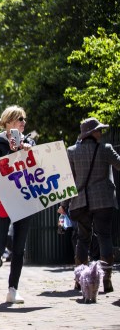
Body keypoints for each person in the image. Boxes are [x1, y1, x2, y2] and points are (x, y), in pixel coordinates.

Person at [0, 105, 35, 304]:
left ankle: (13, 289)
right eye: (20, 119)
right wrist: (14, 151)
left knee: (19, 248)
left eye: (24, 120)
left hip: (24, 197)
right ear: (9, 121)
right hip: (3, 198)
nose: (23, 123)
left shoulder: (30, 141)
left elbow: (37, 167)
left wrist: (28, 151)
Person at [58, 117, 120, 293]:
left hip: (80, 202)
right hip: (103, 201)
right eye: (98, 130)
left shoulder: (71, 152)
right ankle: (106, 281)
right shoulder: (105, 149)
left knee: (82, 239)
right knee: (105, 237)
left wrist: (64, 204)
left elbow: (67, 182)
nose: (101, 133)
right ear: (91, 133)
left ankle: (80, 281)